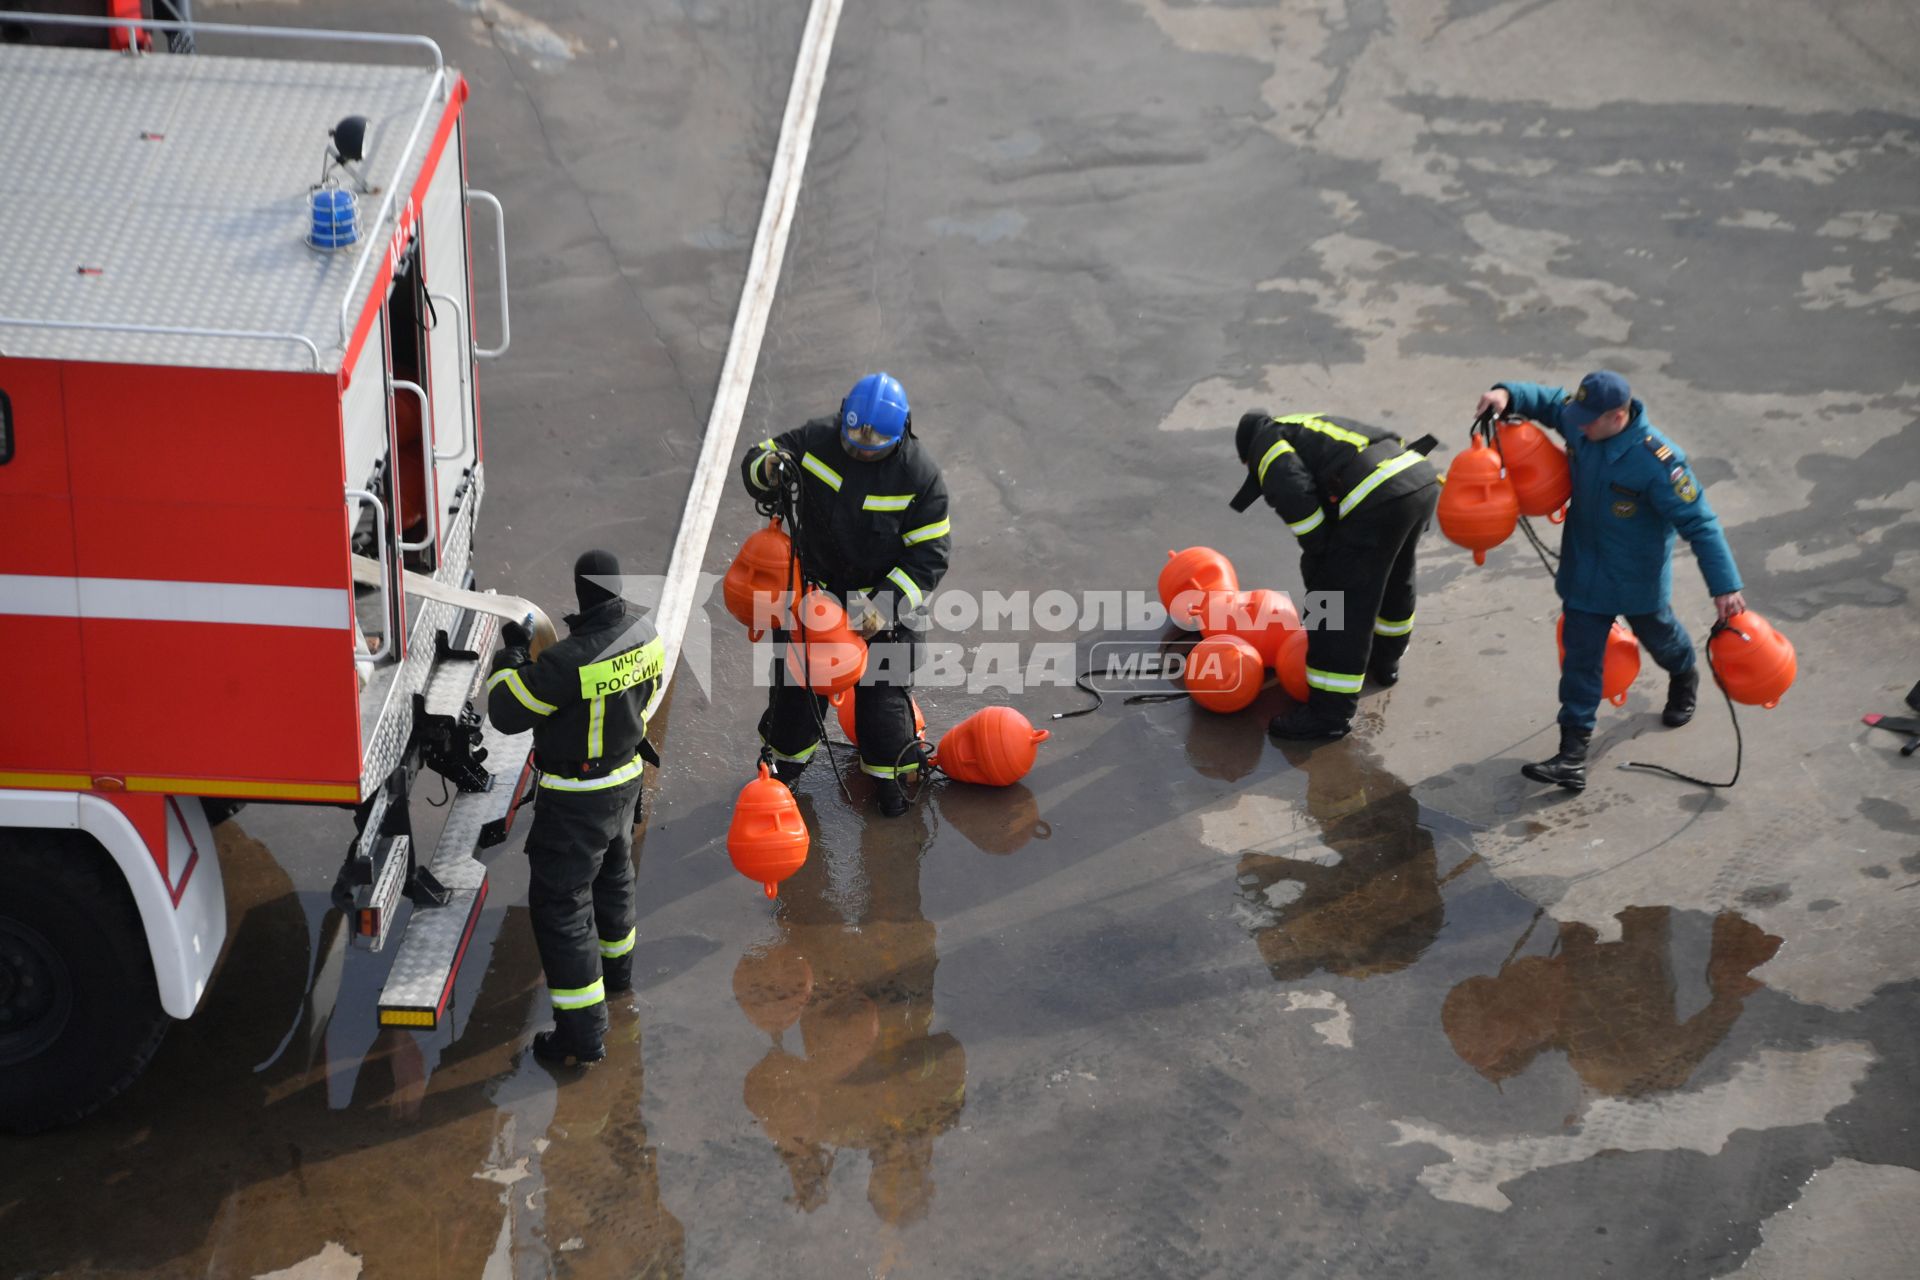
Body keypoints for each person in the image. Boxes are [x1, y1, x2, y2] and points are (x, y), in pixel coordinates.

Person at [1476, 372, 1747, 792]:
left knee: (1661, 637)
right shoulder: (1584, 421)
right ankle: (1572, 756)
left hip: (1635, 581)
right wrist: (1506, 394)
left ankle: (1684, 672)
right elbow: (1550, 404)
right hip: (1585, 573)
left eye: (1588, 419)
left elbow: (1701, 524)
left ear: (1618, 416)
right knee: (1580, 660)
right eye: (1577, 416)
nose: (1577, 425)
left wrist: (1724, 586)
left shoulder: (1658, 462)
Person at [740, 373, 951, 817]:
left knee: (883, 703)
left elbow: (929, 558)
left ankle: (891, 780)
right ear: (843, 417)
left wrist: (882, 608)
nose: (858, 447)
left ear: (898, 435)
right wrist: (769, 468)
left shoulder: (919, 477)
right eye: (852, 437)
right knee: (795, 694)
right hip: (815, 598)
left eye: (870, 444)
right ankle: (784, 771)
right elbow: (758, 459)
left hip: (883, 611)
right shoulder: (818, 438)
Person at [487, 550, 664, 1065]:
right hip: (626, 778)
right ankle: (618, 979)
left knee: (563, 909)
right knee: (614, 880)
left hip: (576, 800)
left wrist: (513, 656)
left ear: (582, 594)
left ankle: (581, 1038)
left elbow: (506, 711)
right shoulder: (645, 632)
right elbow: (645, 695)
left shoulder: (568, 661)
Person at [1229, 410, 1441, 739]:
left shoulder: (1264, 444)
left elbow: (1294, 494)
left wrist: (1321, 555)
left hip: (1378, 493)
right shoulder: (1304, 425)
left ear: (1246, 453)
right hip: (1418, 479)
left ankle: (1328, 714)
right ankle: (1386, 663)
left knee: (1336, 604)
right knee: (1396, 576)